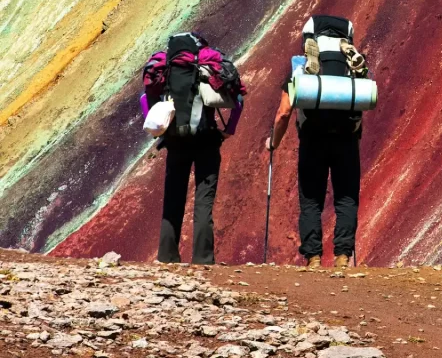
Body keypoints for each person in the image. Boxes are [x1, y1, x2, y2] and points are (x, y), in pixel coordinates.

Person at [266, 15, 366, 269]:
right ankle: (343, 257)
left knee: (311, 199)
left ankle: (313, 258)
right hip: (346, 140)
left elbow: (284, 112)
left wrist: (274, 142)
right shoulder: (354, 63)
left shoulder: (301, 65)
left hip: (312, 140)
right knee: (346, 198)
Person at [141, 32, 246, 264]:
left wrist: (158, 131)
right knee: (203, 200)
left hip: (175, 141)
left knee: (173, 198)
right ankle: (203, 259)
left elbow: (144, 98)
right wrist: (229, 129)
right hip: (206, 139)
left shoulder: (165, 66)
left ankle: (167, 257)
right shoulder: (208, 62)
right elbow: (238, 98)